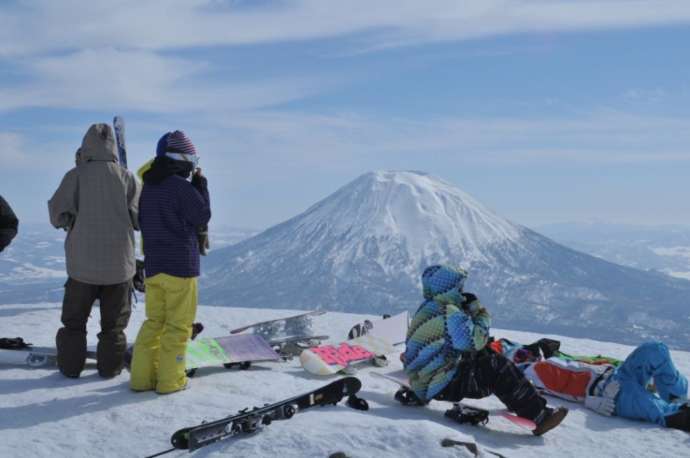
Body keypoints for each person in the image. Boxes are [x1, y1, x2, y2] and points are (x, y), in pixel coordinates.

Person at [403, 265, 568, 436]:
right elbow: (477, 340)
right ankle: (539, 416)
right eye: (458, 286)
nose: (461, 291)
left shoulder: (429, 307)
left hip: (423, 378)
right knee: (498, 366)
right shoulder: (449, 313)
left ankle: (517, 397)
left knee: (485, 354)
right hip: (441, 384)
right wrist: (478, 311)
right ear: (448, 287)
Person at [48, 123, 140, 378]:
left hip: (82, 267)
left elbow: (57, 215)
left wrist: (71, 222)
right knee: (113, 327)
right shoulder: (127, 177)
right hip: (119, 267)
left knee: (74, 323)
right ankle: (109, 370)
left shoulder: (75, 176)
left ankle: (69, 369)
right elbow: (140, 218)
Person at [129, 130, 211, 394]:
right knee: (177, 326)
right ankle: (170, 381)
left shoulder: (148, 186)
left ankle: (141, 379)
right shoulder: (180, 187)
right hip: (180, 268)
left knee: (154, 322)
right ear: (181, 159)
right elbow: (201, 216)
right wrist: (201, 188)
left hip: (154, 267)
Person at [505, 341, 690, 432]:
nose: (527, 355)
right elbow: (522, 397)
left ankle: (677, 396)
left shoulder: (554, 360)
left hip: (618, 374)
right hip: (610, 395)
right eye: (520, 355)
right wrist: (592, 401)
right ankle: (678, 415)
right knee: (658, 410)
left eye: (526, 351)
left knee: (655, 349)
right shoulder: (527, 376)